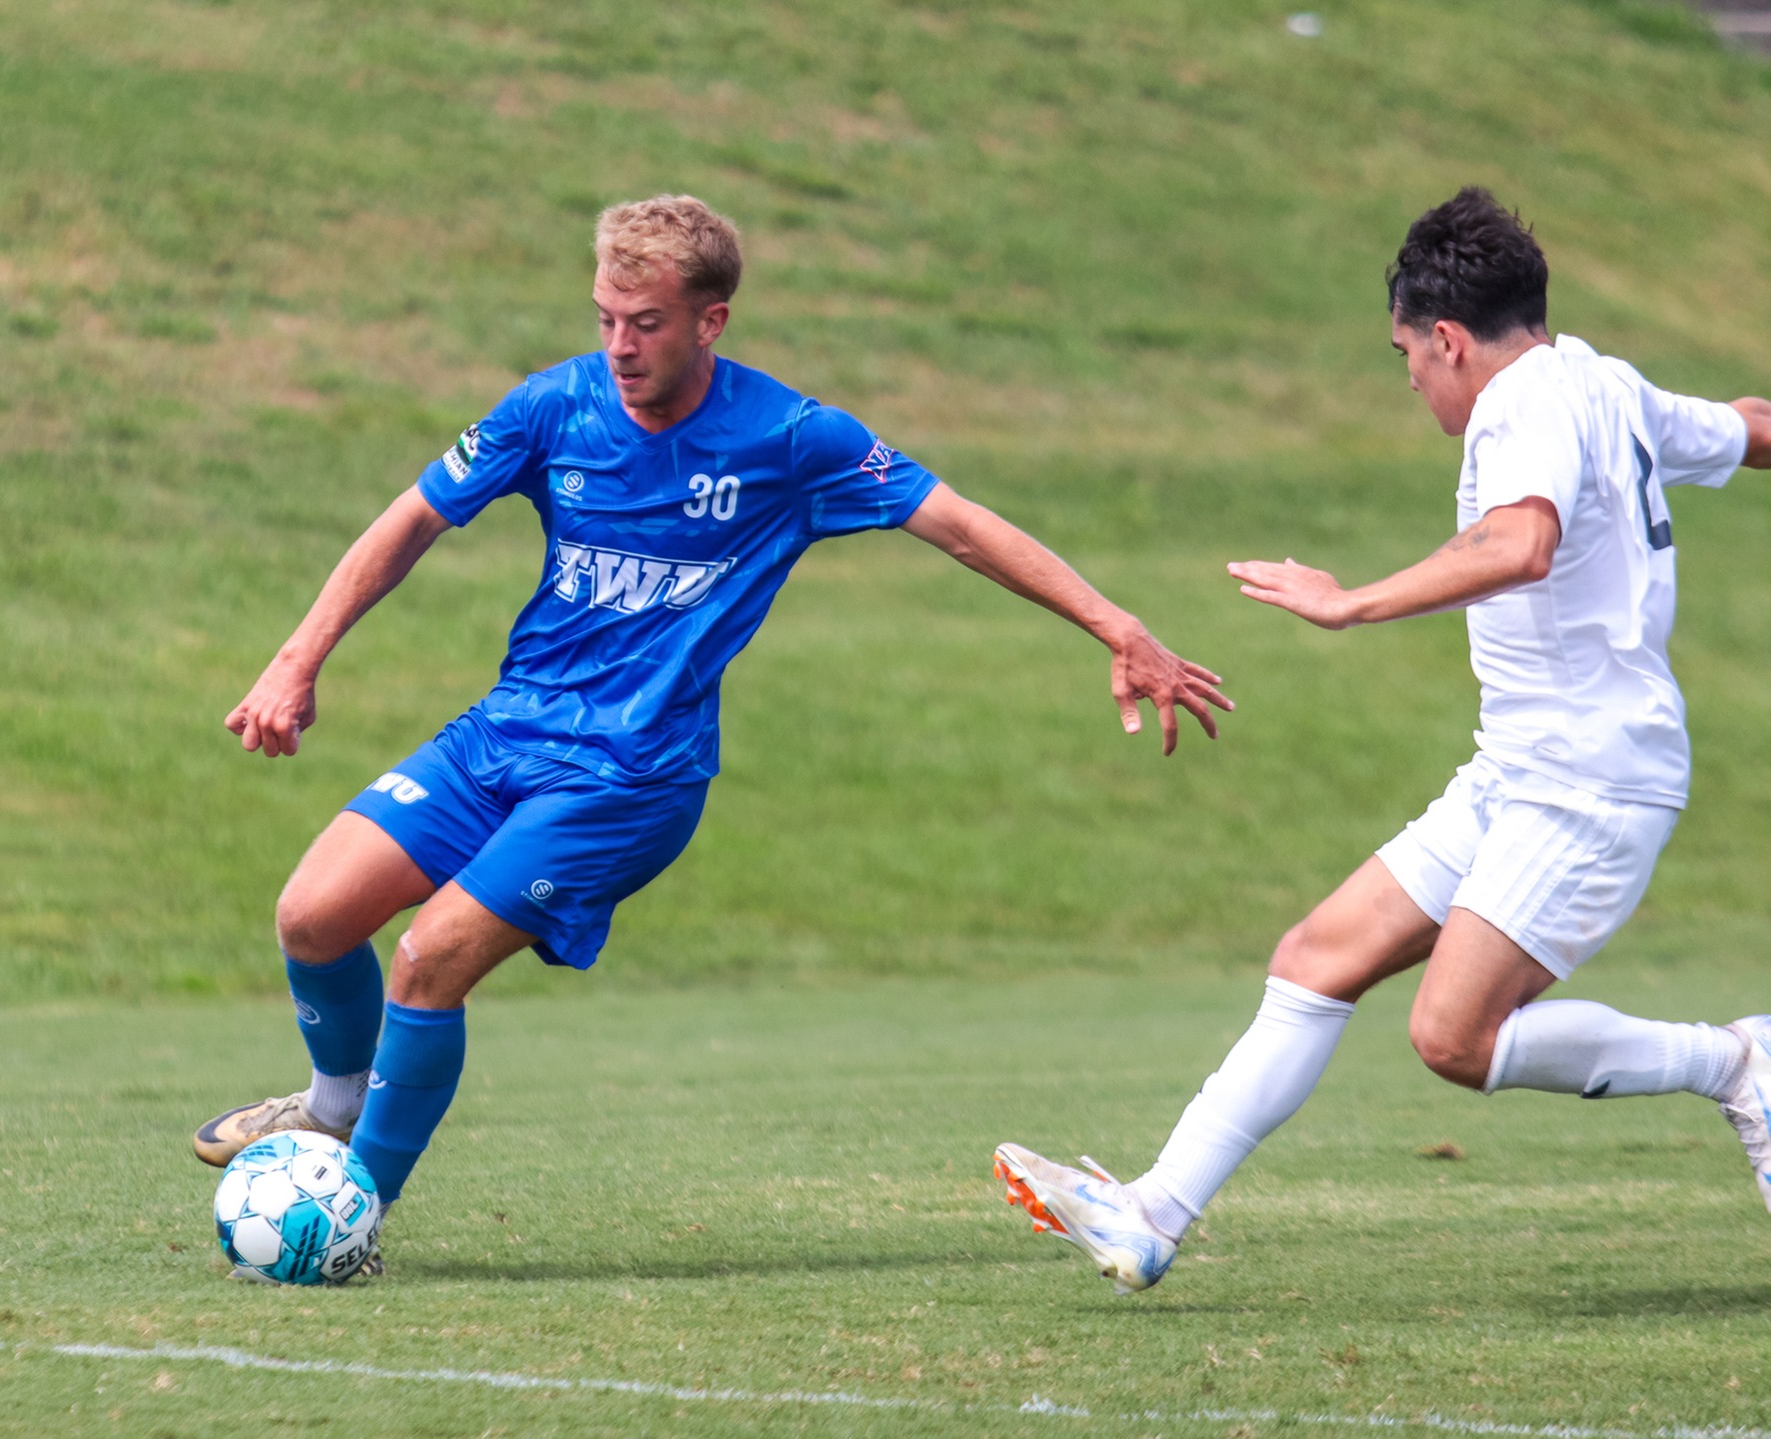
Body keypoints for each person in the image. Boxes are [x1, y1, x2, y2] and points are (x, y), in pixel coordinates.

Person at [197, 195, 1232, 1274]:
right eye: (604, 316)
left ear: (711, 320)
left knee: (426, 959)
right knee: (312, 914)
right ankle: (329, 1107)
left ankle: (353, 1208)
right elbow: (410, 519)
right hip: (505, 733)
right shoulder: (553, 406)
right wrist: (295, 656)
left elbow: (962, 527)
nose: (618, 345)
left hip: (631, 776)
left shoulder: (790, 438)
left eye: (644, 321)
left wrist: (1116, 623)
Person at [994, 187, 1771, 1296]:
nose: (1407, 376)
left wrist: (1348, 601)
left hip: (1589, 779)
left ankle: (1737, 1060)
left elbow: (1521, 540)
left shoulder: (1522, 409)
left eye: (1406, 352)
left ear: (1448, 338)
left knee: (1454, 1038)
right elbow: (1749, 427)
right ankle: (1150, 1213)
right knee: (1316, 957)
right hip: (1519, 766)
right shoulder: (1607, 381)